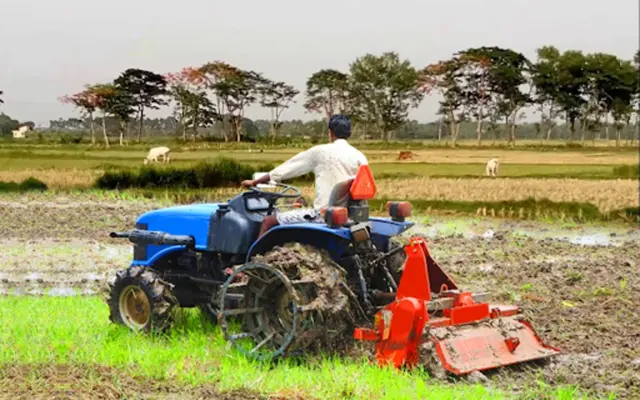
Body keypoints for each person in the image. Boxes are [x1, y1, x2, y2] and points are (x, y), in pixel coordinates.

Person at [241, 114, 368, 237]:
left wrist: (254, 182)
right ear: (349, 133)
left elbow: (287, 168)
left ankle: (254, 259)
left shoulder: (321, 152)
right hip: (347, 216)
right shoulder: (360, 156)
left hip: (321, 215)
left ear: (331, 133)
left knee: (268, 221)